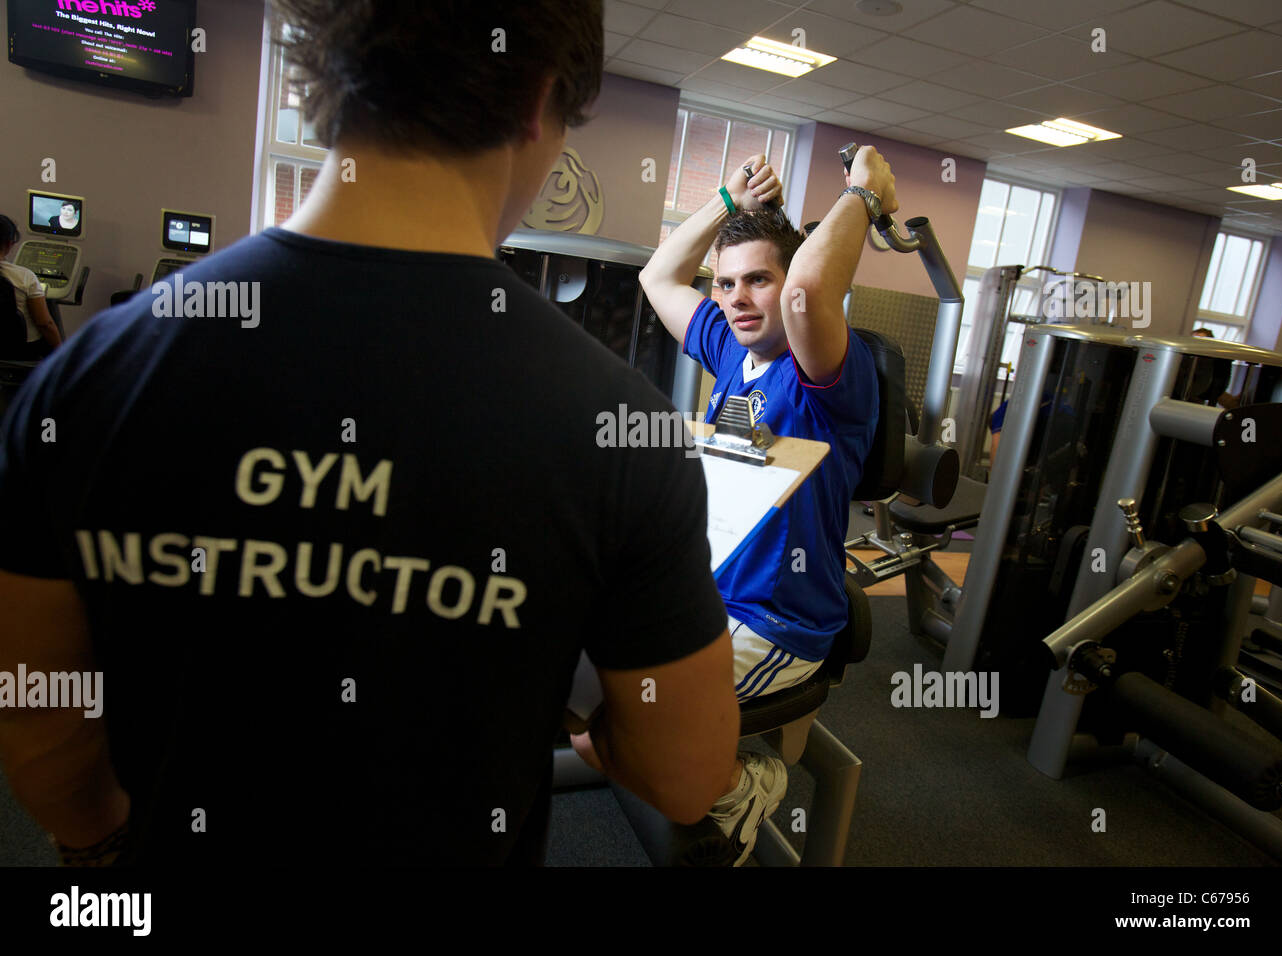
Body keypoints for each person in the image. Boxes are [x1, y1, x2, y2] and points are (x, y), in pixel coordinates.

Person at [0, 0, 741, 866]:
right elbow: (688, 777)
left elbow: (40, 720)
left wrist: (106, 842)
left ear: (324, 76)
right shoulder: (627, 434)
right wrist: (603, 736)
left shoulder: (85, 380)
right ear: (540, 100)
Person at [602, 145, 892, 857]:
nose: (736, 297)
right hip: (703, 595)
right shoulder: (732, 350)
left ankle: (744, 784)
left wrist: (865, 196)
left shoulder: (826, 373)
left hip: (777, 618)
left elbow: (810, 296)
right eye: (727, 283)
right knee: (587, 666)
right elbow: (658, 274)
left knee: (637, 714)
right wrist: (728, 203)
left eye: (757, 279)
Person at [0, 214, 62, 359]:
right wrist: (62, 353)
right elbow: (45, 324)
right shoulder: (25, 277)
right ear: (10, 244)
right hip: (19, 350)